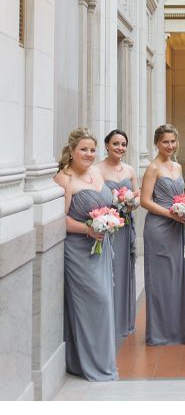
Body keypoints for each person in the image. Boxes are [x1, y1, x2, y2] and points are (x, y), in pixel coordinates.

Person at [56, 127, 117, 381]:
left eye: (92, 149)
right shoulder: (64, 179)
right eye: (83, 149)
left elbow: (107, 203)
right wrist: (88, 229)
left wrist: (109, 220)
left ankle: (102, 361)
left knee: (104, 303)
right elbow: (62, 220)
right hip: (79, 251)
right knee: (96, 302)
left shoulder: (95, 173)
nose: (89, 154)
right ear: (71, 151)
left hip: (100, 249)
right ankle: (88, 362)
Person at [139, 124, 185, 345]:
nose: (170, 146)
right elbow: (145, 201)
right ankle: (160, 332)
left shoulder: (178, 166)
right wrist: (171, 214)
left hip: (178, 226)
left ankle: (179, 329)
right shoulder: (153, 168)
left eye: (173, 141)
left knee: (179, 276)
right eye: (165, 142)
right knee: (162, 279)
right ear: (157, 143)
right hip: (159, 228)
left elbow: (180, 194)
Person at [95, 129, 138, 338]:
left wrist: (130, 203)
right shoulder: (98, 170)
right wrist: (114, 204)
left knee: (123, 270)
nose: (120, 148)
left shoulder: (130, 170)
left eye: (123, 144)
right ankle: (107, 320)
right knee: (109, 270)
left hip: (126, 224)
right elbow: (96, 198)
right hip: (108, 226)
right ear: (106, 146)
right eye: (115, 144)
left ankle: (123, 320)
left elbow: (137, 197)